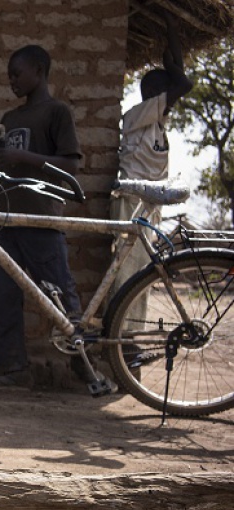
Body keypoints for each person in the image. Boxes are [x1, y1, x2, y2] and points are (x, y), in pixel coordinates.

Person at [0, 44, 83, 390]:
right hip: (8, 219)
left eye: (17, 73)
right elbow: (2, 163)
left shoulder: (57, 113)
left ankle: (84, 367)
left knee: (59, 293)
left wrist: (24, 157)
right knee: (4, 297)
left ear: (38, 71)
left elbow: (70, 164)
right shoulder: (10, 119)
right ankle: (12, 369)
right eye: (9, 75)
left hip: (41, 218)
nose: (12, 80)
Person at [112, 11, 193, 297]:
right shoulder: (139, 116)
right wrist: (171, 28)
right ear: (156, 94)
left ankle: (130, 334)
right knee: (125, 270)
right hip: (130, 201)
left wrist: (173, 58)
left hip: (148, 204)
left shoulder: (157, 122)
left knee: (143, 271)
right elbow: (184, 84)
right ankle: (121, 331)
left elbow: (181, 83)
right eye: (167, 93)